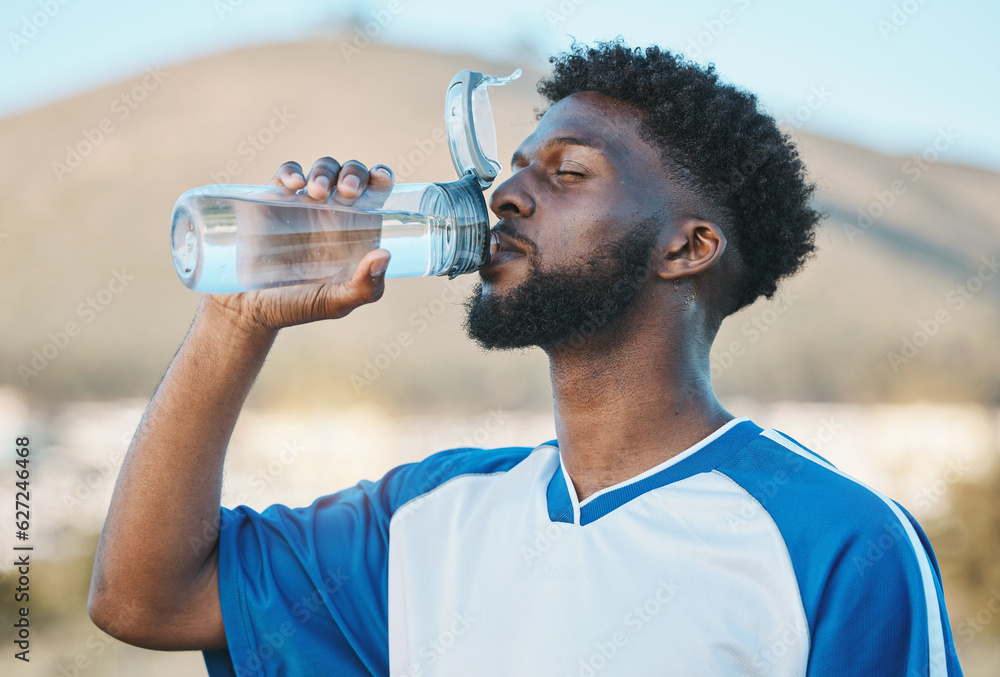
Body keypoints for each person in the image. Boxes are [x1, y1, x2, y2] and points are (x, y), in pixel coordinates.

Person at [88, 40, 964, 676]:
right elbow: (146, 599)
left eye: (567, 172)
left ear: (686, 248)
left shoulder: (839, 544)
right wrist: (238, 322)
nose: (505, 193)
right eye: (512, 168)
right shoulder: (426, 515)